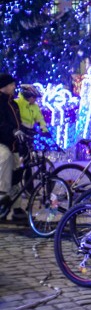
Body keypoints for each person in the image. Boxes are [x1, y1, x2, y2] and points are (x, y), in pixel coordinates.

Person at [0, 73, 23, 217]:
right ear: (4, 87)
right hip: (2, 142)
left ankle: (17, 207)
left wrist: (24, 132)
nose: (14, 87)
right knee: (5, 160)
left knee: (17, 173)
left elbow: (17, 123)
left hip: (14, 143)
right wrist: (12, 131)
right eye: (11, 84)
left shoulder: (13, 103)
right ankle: (2, 197)